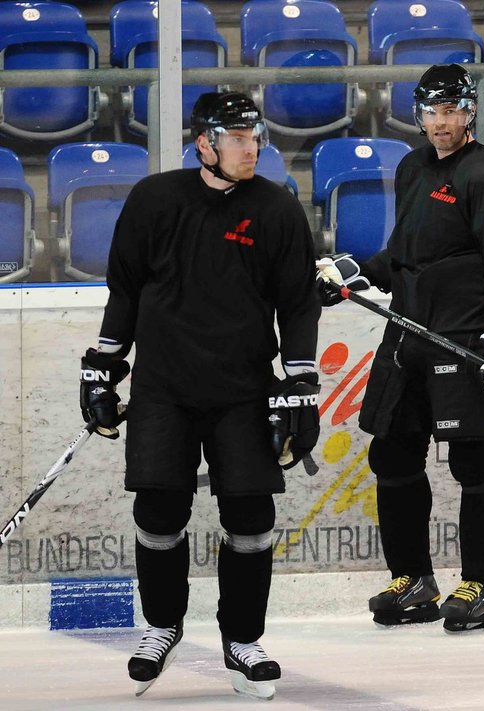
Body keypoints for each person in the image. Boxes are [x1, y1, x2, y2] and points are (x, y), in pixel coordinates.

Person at [79, 91, 321, 699]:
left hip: (243, 390)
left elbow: (297, 303)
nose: (252, 148)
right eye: (238, 138)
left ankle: (242, 640)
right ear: (203, 143)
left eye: (256, 137)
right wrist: (103, 367)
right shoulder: (154, 199)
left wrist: (299, 385)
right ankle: (162, 626)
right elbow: (125, 291)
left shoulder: (276, 209)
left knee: (250, 515)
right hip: (163, 389)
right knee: (159, 511)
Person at [316, 64, 484, 633]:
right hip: (407, 331)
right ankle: (413, 580)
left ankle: (482, 582)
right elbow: (404, 254)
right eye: (432, 112)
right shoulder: (412, 166)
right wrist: (355, 271)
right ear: (419, 113)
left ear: (470, 112)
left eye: (452, 111)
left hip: (462, 335)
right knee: (392, 455)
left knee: (473, 458)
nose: (441, 123)